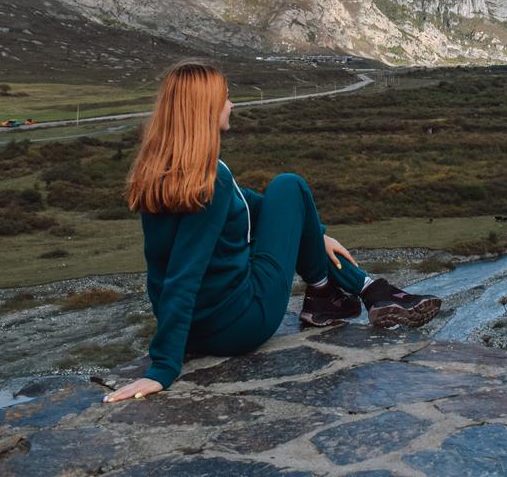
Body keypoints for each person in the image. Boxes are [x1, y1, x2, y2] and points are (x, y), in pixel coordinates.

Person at [103, 59, 441, 403]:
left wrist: (315, 234)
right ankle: (341, 292)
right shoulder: (211, 180)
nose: (231, 105)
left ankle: (363, 290)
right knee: (289, 184)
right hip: (240, 325)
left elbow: (252, 207)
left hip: (198, 331)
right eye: (225, 97)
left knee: (282, 197)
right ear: (205, 109)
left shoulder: (159, 173)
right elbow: (183, 275)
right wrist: (161, 369)